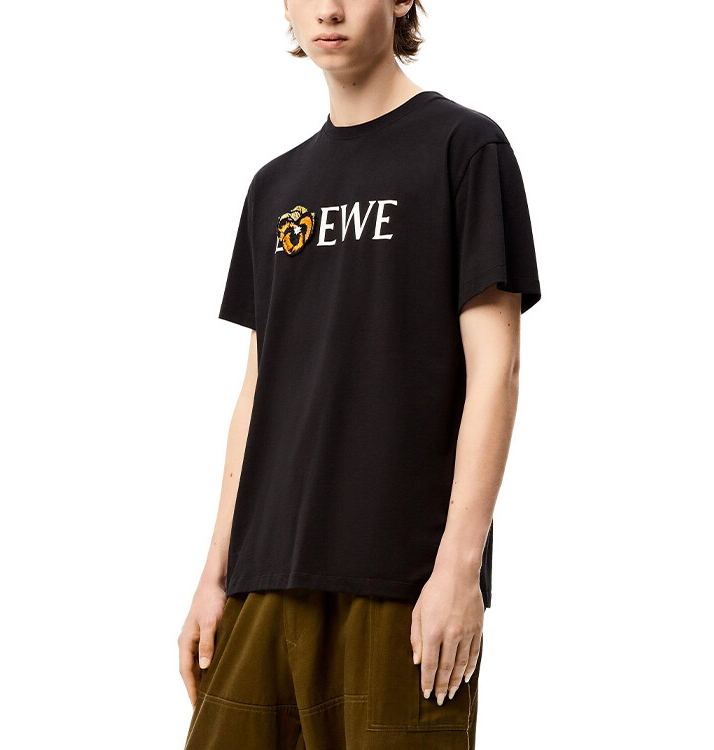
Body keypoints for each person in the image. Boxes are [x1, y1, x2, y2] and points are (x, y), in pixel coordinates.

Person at [179, 1, 541, 747]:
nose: (330, 9)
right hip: (265, 575)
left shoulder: (464, 148)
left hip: (400, 584)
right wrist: (214, 574)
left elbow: (496, 369)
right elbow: (257, 393)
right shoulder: (274, 187)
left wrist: (458, 570)